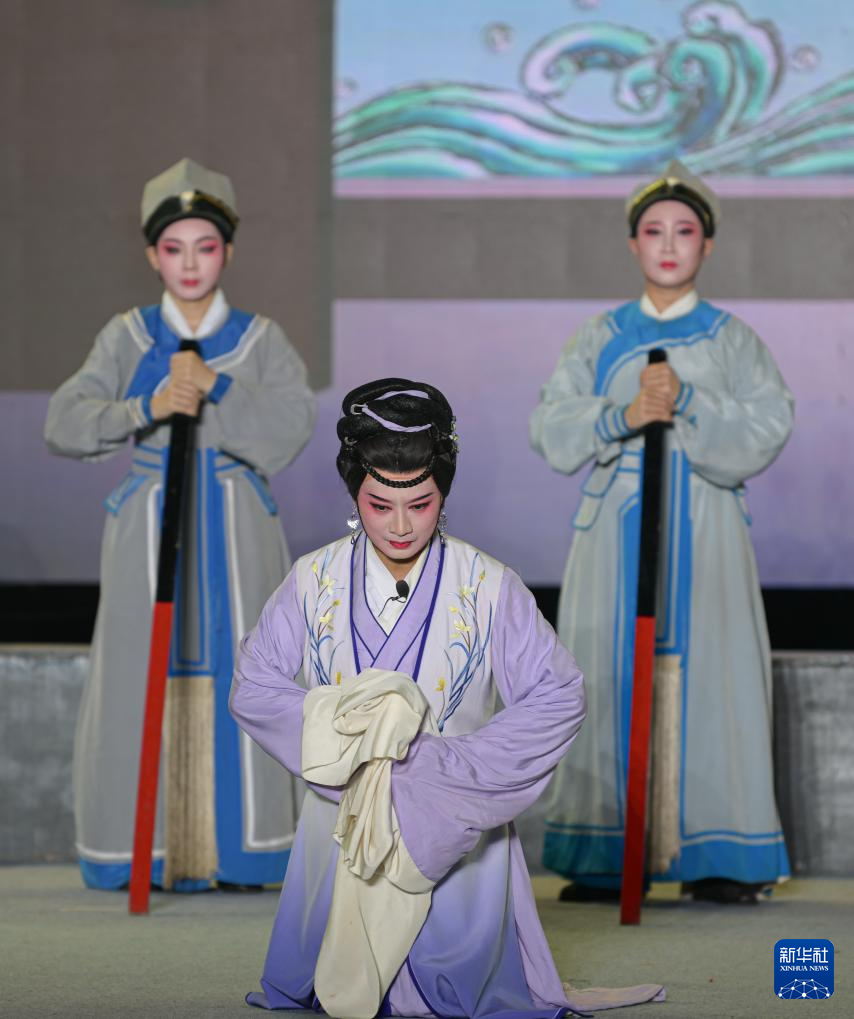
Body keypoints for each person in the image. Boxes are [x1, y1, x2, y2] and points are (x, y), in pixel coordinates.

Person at [230, 379, 664, 1017]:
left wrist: (454, 769)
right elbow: (254, 685)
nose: (401, 525)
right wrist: (346, 739)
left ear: (444, 493)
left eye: (421, 503)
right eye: (379, 505)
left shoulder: (488, 584)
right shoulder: (312, 579)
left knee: (460, 978)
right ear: (354, 494)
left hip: (454, 824)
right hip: (344, 820)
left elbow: (558, 693)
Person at [44, 157, 315, 891]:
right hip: (149, 519)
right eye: (173, 248)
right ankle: (146, 852)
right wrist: (148, 405)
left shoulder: (260, 339)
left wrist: (217, 386)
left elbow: (292, 426)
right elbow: (63, 421)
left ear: (228, 251)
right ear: (151, 255)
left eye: (205, 246)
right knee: (141, 670)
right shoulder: (127, 337)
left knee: (247, 666)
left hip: (235, 520)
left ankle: (245, 850)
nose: (190, 264)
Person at [530, 161, 794, 904]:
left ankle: (720, 855)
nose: (669, 244)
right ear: (632, 243)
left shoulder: (733, 340)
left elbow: (770, 422)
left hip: (706, 525)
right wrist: (624, 415)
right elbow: (550, 424)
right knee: (608, 671)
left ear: (707, 244)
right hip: (614, 530)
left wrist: (689, 404)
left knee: (714, 674)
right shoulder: (601, 335)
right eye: (654, 231)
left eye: (685, 231)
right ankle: (606, 854)